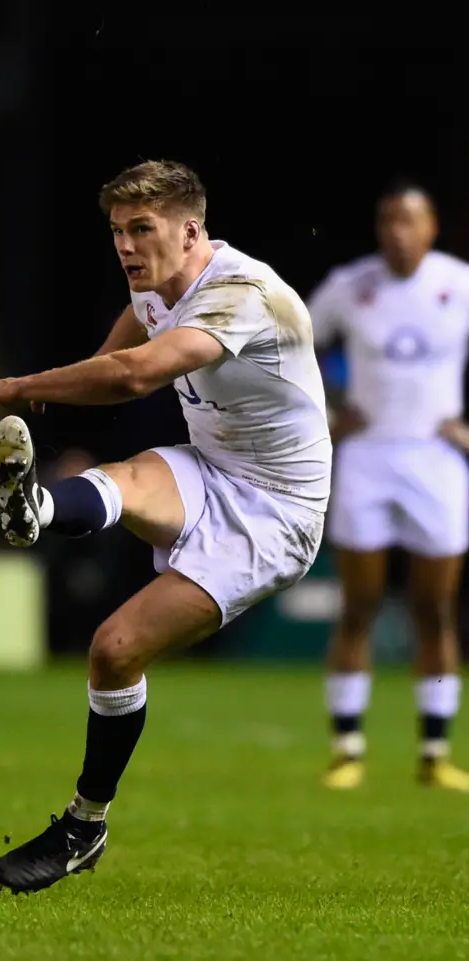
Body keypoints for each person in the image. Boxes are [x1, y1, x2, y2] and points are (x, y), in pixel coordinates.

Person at [0, 160, 332, 894]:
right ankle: (38, 509)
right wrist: (80, 394)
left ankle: (84, 824)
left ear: (191, 230)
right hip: (210, 465)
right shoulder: (154, 284)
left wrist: (27, 387)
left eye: (142, 229)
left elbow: (137, 376)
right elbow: (121, 355)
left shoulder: (241, 294)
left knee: (114, 648)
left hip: (277, 511)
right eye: (117, 232)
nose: (128, 247)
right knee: (122, 476)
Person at [308, 180, 469, 791]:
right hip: (369, 457)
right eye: (387, 220)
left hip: (436, 459)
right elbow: (292, 344)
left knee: (435, 609)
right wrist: (329, 416)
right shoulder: (352, 287)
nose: (397, 232)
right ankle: (346, 748)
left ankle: (434, 752)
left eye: (409, 220)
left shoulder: (459, 284)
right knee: (360, 605)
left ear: (431, 228)